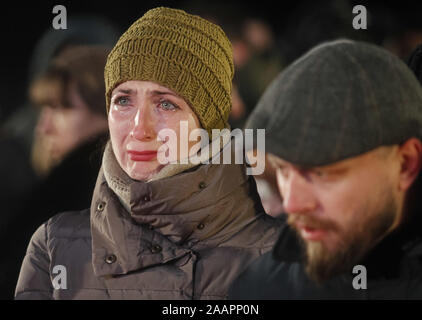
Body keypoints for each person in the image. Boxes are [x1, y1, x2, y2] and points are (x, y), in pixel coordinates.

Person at [15, 7, 282, 300]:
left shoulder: (281, 257)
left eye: (166, 104)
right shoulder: (54, 246)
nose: (140, 128)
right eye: (123, 100)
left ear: (210, 126)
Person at [229, 39, 422, 299]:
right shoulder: (261, 288)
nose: (293, 204)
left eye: (321, 173)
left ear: (406, 164)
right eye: (284, 170)